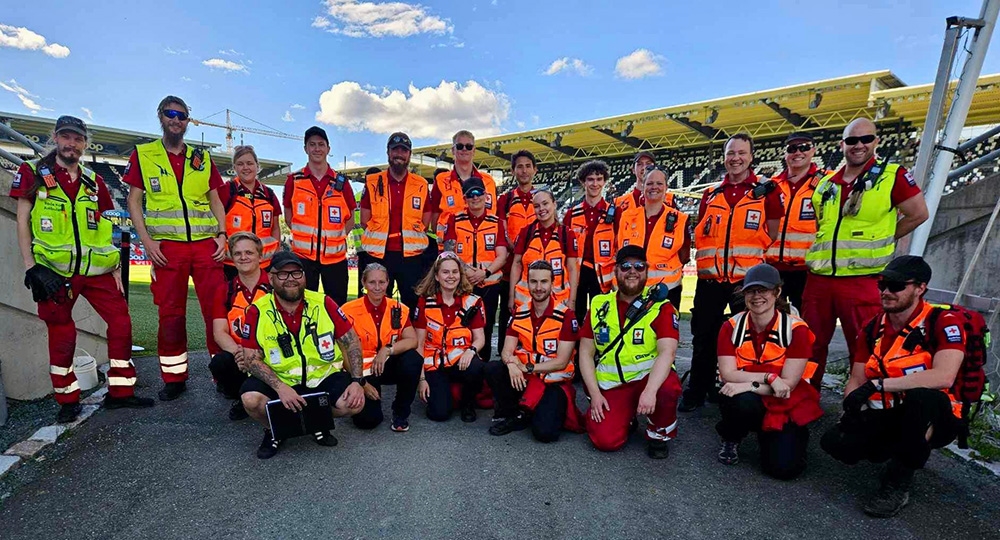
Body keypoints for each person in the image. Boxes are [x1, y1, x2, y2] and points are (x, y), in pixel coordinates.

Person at [13, 115, 154, 422]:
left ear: (84, 144)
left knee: (121, 323)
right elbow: (23, 221)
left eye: (77, 139)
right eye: (66, 137)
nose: (71, 143)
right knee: (62, 335)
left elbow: (106, 223)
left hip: (98, 271)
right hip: (54, 272)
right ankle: (67, 400)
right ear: (55, 137)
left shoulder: (94, 179)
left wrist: (116, 265)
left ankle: (121, 392)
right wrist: (31, 267)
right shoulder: (33, 172)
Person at [821, 256, 965, 518]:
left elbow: (944, 376)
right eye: (883, 284)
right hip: (888, 411)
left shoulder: (943, 322)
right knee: (836, 444)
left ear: (920, 288)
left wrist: (880, 384)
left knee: (922, 400)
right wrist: (851, 406)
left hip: (938, 416)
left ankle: (898, 481)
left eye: (896, 285)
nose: (886, 291)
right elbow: (856, 377)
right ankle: (892, 449)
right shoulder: (873, 325)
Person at [802, 119, 929, 391]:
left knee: (864, 346)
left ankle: (865, 404)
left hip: (863, 280)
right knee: (810, 344)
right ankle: (804, 400)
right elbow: (821, 228)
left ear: (876, 142)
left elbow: (919, 214)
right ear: (842, 145)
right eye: (851, 140)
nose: (858, 145)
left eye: (865, 139)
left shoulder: (892, 176)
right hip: (820, 280)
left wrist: (885, 237)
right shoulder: (825, 185)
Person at [124, 95, 228, 401]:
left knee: (216, 313)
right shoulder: (144, 154)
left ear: (187, 121)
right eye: (171, 114)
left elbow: (215, 200)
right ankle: (174, 376)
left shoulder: (202, 158)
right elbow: (133, 200)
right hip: (167, 248)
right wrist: (146, 241)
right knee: (170, 315)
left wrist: (222, 235)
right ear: (160, 116)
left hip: (205, 245)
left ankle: (222, 374)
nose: (176, 119)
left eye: (182, 115)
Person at [680, 133, 784, 412]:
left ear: (751, 156)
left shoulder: (767, 191)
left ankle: (733, 391)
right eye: (730, 153)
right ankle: (697, 390)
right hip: (711, 280)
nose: (735, 158)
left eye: (741, 153)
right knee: (704, 338)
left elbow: (771, 233)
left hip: (745, 282)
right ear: (724, 158)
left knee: (743, 340)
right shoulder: (710, 194)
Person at [238, 251, 366, 459]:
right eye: (283, 274)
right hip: (281, 379)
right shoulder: (257, 311)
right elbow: (251, 359)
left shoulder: (323, 302)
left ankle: (317, 423)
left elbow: (351, 341)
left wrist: (357, 381)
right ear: (271, 278)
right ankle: (274, 431)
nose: (291, 279)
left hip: (322, 377)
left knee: (353, 403)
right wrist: (280, 388)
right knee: (251, 399)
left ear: (304, 276)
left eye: (296, 273)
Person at [715, 263, 822, 479]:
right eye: (750, 291)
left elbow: (787, 386)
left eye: (762, 290)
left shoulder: (796, 330)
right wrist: (769, 377)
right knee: (734, 396)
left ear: (777, 292)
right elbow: (728, 374)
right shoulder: (731, 326)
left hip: (785, 402)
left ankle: (780, 436)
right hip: (753, 397)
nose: (756, 296)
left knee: (783, 470)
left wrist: (747, 384)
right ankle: (732, 436)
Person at [578, 246, 683, 458]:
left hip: (648, 381)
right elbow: (585, 353)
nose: (632, 271)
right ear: (616, 271)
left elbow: (667, 353)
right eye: (625, 266)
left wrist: (651, 390)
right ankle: (627, 416)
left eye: (639, 266)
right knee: (605, 441)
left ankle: (658, 434)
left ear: (647, 270)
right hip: (614, 384)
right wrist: (596, 395)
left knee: (668, 389)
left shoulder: (661, 307)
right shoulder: (599, 304)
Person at [487, 261, 583, 441]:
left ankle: (534, 410)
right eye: (533, 282)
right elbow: (506, 351)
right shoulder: (520, 312)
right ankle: (513, 413)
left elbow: (561, 362)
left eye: (544, 282)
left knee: (545, 434)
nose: (538, 287)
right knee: (494, 368)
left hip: (553, 382)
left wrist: (526, 367)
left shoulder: (566, 316)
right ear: (527, 283)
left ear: (552, 283)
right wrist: (511, 364)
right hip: (525, 378)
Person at [340, 263, 423, 432]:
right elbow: (344, 355)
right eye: (372, 282)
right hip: (362, 370)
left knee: (413, 359)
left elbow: (412, 340)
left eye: (382, 282)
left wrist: (388, 349)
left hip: (387, 363)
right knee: (368, 421)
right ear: (363, 283)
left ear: (388, 283)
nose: (377, 287)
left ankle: (401, 412)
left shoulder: (399, 308)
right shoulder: (348, 311)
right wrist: (361, 383)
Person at [359, 132, 432, 311]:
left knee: (414, 306)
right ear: (388, 152)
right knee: (377, 305)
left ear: (409, 154)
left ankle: (411, 339)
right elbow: (364, 219)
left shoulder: (421, 184)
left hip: (412, 257)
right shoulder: (373, 182)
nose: (399, 154)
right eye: (395, 150)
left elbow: (426, 217)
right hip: (379, 255)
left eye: (404, 150)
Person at [283, 125, 355, 305]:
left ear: (328, 149)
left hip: (335, 259)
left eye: (321, 144)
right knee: (303, 307)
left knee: (337, 308)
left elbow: (351, 220)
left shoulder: (341, 183)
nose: (317, 149)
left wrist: (333, 240)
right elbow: (289, 218)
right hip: (303, 258)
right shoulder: (294, 180)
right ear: (305, 148)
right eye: (312, 144)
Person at [413, 252, 487, 422]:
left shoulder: (473, 302)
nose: (451, 276)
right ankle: (448, 393)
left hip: (461, 360)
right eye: (445, 272)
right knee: (439, 414)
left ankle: (468, 403)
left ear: (460, 276)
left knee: (476, 366)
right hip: (435, 364)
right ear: (437, 276)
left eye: (455, 272)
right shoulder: (425, 301)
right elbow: (419, 344)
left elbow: (480, 338)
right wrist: (422, 379)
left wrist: (471, 351)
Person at [442, 177, 508, 362]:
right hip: (463, 286)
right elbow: (449, 251)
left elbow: (502, 255)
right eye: (470, 195)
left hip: (489, 285)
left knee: (485, 329)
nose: (475, 197)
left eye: (479, 193)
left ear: (486, 196)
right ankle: (461, 367)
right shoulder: (455, 220)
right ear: (465, 198)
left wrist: (484, 273)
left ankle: (483, 370)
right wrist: (465, 272)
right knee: (461, 327)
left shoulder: (496, 222)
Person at [208, 232, 272, 421]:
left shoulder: (275, 286)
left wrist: (258, 353)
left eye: (249, 253)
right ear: (232, 258)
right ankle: (241, 398)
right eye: (237, 254)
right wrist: (241, 353)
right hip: (238, 355)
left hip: (270, 352)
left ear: (260, 256)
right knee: (219, 363)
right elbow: (219, 332)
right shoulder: (224, 290)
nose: (243, 257)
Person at [764, 133, 830, 310]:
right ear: (785, 154)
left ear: (813, 150)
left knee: (807, 322)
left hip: (808, 269)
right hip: (773, 268)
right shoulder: (772, 185)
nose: (797, 152)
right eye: (792, 148)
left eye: (804, 147)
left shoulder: (828, 182)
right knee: (771, 322)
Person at [616, 166, 690, 309]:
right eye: (649, 183)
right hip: (632, 288)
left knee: (665, 330)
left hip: (667, 290)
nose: (654, 187)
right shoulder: (627, 216)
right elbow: (621, 251)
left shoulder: (680, 219)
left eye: (659, 183)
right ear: (642, 186)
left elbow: (684, 255)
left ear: (666, 187)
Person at [495, 150, 538, 362]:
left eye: (528, 166)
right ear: (513, 171)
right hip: (509, 269)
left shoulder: (541, 198)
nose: (524, 170)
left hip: (535, 271)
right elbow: (501, 228)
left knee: (534, 314)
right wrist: (516, 247)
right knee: (508, 314)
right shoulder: (505, 199)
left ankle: (532, 355)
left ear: (534, 169)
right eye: (519, 166)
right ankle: (506, 359)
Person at [509, 189, 579, 312]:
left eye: (545, 203)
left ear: (554, 204)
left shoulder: (566, 234)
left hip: (558, 301)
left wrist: (572, 301)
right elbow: (516, 264)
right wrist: (511, 296)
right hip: (526, 301)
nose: (541, 208)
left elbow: (572, 268)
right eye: (536, 206)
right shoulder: (526, 232)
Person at [217, 145, 281, 281]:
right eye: (240, 164)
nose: (245, 167)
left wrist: (276, 252)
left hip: (264, 265)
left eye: (250, 163)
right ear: (234, 168)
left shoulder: (269, 194)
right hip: (232, 266)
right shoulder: (226, 191)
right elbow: (214, 224)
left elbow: (275, 228)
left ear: (257, 166)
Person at [564, 160, 617, 322]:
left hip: (602, 277)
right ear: (583, 182)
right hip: (577, 275)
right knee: (576, 318)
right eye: (590, 179)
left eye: (599, 179)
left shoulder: (615, 213)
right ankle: (577, 348)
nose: (595, 183)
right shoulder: (572, 214)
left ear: (605, 182)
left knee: (602, 320)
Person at [430, 130, 499, 240]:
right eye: (460, 146)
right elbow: (434, 220)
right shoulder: (441, 180)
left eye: (469, 146)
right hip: (449, 248)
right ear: (453, 150)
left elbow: (496, 216)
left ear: (474, 150)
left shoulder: (488, 181)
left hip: (483, 248)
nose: (464, 149)